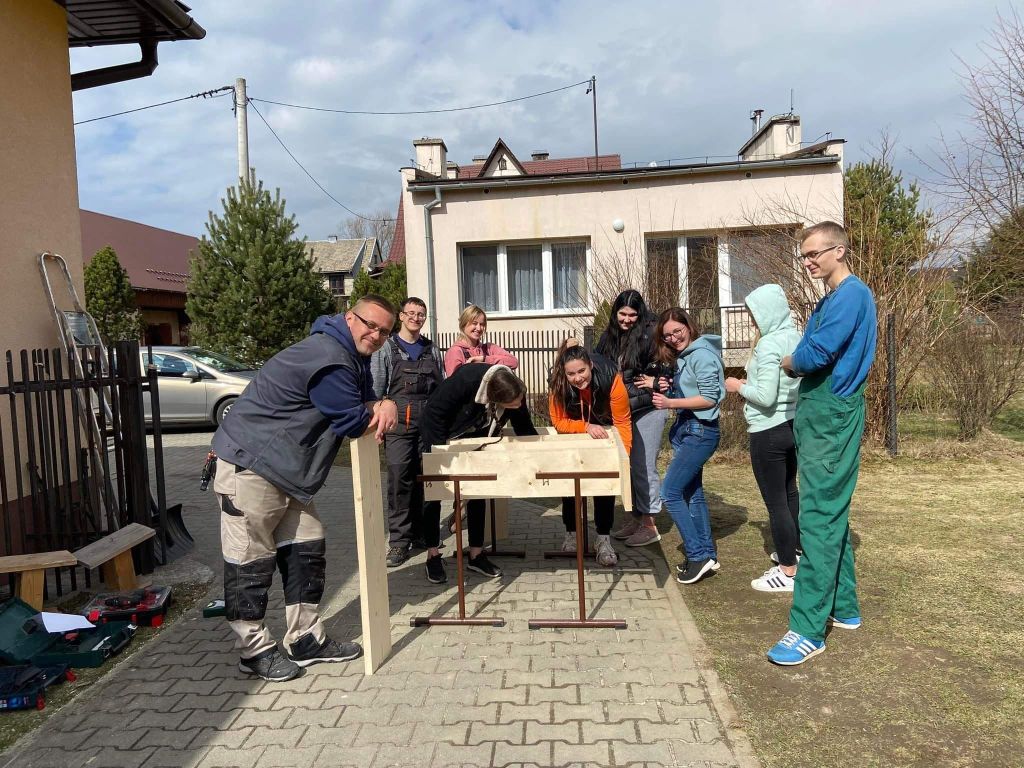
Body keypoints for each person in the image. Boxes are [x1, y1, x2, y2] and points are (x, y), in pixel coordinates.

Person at [211, 295, 398, 682]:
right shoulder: (330, 358)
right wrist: (384, 408)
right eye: (370, 325)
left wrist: (383, 402)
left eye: (384, 331)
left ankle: (306, 640)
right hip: (252, 463)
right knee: (250, 560)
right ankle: (254, 650)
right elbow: (353, 421)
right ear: (350, 317)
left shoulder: (351, 354)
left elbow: (366, 401)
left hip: (286, 471)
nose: (376, 335)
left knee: (307, 548)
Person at [766, 221, 877, 666]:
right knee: (831, 511)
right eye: (805, 256)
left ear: (840, 251)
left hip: (832, 413)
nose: (808, 262)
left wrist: (790, 362)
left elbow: (816, 353)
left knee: (818, 517)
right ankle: (844, 606)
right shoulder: (832, 298)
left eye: (814, 254)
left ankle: (808, 629)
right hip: (820, 412)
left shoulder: (851, 295)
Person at [418, 363, 537, 583]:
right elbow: (435, 413)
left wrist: (537, 453)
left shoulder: (511, 387)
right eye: (514, 403)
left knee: (477, 492)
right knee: (434, 494)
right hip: (442, 433)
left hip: (476, 437)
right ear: (495, 397)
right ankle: (432, 554)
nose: (519, 404)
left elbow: (524, 426)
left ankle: (476, 554)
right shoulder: (467, 379)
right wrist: (440, 455)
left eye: (520, 400)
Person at [724, 284, 803, 593]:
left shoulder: (769, 344)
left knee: (776, 502)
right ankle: (795, 552)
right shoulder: (795, 336)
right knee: (790, 493)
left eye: (753, 313)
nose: (751, 320)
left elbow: (766, 397)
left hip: (767, 431)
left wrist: (738, 386)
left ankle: (787, 571)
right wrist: (752, 382)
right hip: (792, 425)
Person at [652, 308, 726, 585]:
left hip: (700, 431)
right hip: (689, 429)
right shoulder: (686, 356)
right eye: (667, 335)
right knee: (692, 494)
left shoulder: (702, 355)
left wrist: (670, 402)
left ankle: (697, 555)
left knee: (669, 492)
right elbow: (691, 391)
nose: (673, 338)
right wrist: (667, 387)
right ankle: (707, 555)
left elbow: (709, 398)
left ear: (689, 327)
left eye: (677, 331)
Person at [370, 297, 445, 567]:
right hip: (398, 425)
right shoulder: (387, 348)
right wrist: (377, 424)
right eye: (411, 313)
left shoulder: (431, 349)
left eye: (421, 314)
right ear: (401, 316)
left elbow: (442, 388)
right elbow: (376, 390)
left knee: (426, 480)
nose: (416, 318)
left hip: (428, 426)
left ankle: (423, 534)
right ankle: (399, 542)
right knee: (399, 480)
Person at [595, 290, 671, 547]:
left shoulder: (652, 333)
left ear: (640, 314)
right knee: (627, 465)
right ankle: (636, 518)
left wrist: (657, 380)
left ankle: (650, 524)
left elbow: (668, 364)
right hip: (622, 411)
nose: (626, 320)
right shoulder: (609, 336)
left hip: (648, 408)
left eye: (632, 315)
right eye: (622, 314)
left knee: (643, 466)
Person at [548, 339, 633, 567]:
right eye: (571, 374)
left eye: (582, 371)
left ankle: (603, 539)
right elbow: (559, 422)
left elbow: (622, 421)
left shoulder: (611, 378)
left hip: (604, 430)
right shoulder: (557, 384)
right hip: (574, 432)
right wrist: (585, 427)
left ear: (591, 366)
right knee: (570, 485)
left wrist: (623, 456)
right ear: (564, 373)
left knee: (604, 484)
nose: (578, 378)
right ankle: (572, 533)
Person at [443, 304, 519, 377]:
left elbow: (513, 362)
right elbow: (454, 383)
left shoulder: (489, 348)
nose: (479, 328)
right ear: (463, 324)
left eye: (482, 324)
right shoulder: (455, 352)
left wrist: (484, 359)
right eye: (474, 323)